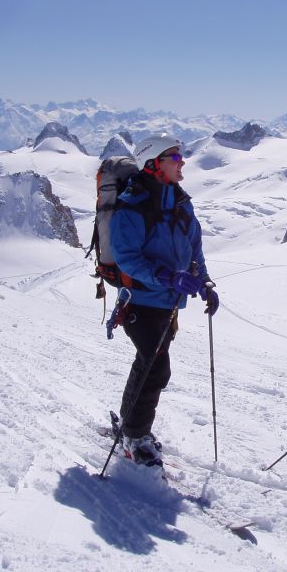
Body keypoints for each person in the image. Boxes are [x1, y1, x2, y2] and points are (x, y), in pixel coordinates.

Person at [109, 132, 219, 466]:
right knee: (155, 367)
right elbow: (127, 258)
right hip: (141, 302)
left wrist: (205, 282)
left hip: (168, 303)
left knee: (149, 364)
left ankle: (130, 425)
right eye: (174, 157)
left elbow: (194, 249)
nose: (181, 162)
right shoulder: (133, 205)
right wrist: (168, 276)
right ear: (154, 163)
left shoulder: (181, 202)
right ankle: (135, 435)